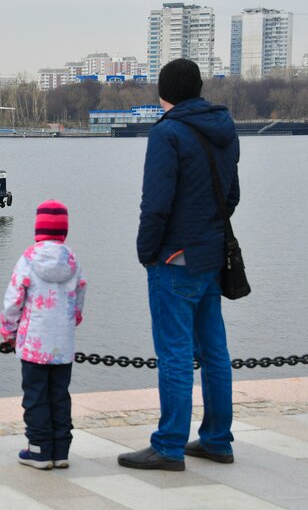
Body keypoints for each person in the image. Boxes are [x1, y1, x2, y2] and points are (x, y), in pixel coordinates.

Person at [118, 58, 240, 472]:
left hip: (174, 258)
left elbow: (155, 203)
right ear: (199, 88)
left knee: (174, 353)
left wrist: (147, 251)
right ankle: (217, 440)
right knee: (215, 352)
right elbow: (232, 196)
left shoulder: (166, 133)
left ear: (163, 92)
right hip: (211, 256)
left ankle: (169, 445)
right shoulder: (224, 128)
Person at [0, 200, 87, 470]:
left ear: (38, 228)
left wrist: (8, 331)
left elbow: (14, 300)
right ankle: (61, 451)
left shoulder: (28, 258)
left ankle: (38, 450)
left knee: (36, 397)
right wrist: (73, 321)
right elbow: (80, 296)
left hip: (33, 345)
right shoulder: (72, 260)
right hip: (62, 345)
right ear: (65, 230)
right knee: (60, 396)